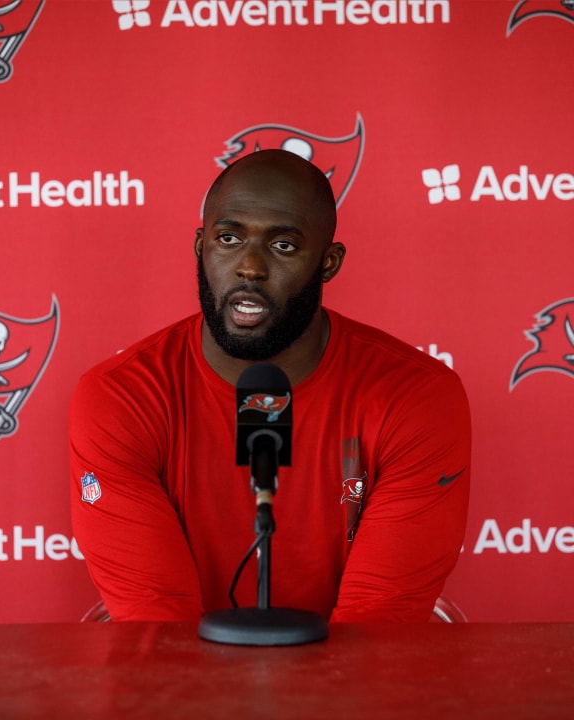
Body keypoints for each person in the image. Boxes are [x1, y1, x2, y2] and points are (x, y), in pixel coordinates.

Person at [69, 149, 470, 622]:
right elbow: (157, 626)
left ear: (329, 262)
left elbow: (379, 627)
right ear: (201, 247)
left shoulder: (418, 397)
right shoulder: (120, 397)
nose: (250, 268)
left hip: (353, 688)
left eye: (283, 246)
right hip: (182, 687)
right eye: (229, 238)